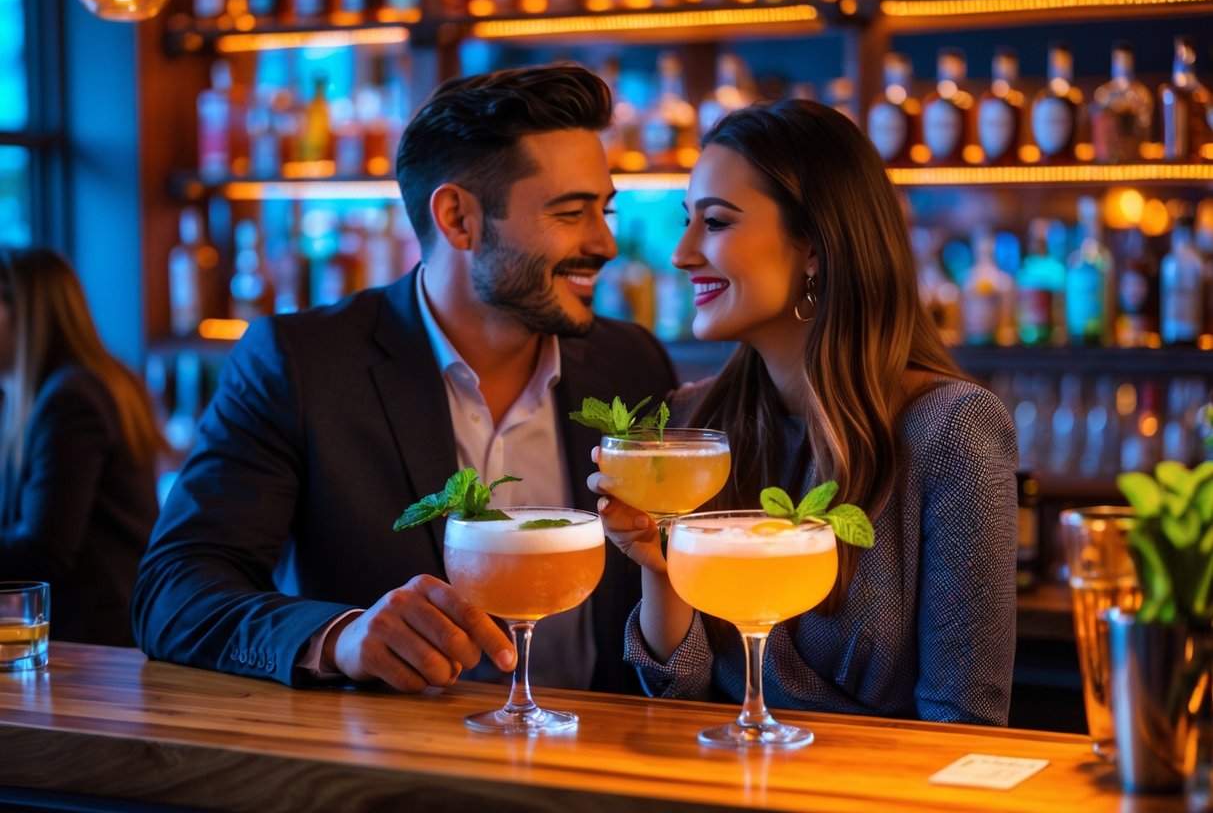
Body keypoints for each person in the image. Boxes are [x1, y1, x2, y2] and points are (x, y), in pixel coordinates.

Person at [132, 64, 679, 694]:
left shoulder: (631, 362)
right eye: (572, 212)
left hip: (598, 746)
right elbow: (173, 593)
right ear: (457, 219)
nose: (605, 243)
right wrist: (340, 637)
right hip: (393, 750)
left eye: (605, 210)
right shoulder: (301, 363)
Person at [591, 100, 1018, 725]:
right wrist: (658, 569)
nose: (681, 254)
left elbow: (966, 720)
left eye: (715, 222)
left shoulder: (951, 428)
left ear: (814, 248)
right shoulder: (693, 423)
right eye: (687, 222)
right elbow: (678, 698)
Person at [0, 248, 163, 646]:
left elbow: (45, 551)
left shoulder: (70, 399)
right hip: (103, 635)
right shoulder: (85, 383)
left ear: (24, 313)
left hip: (95, 646)